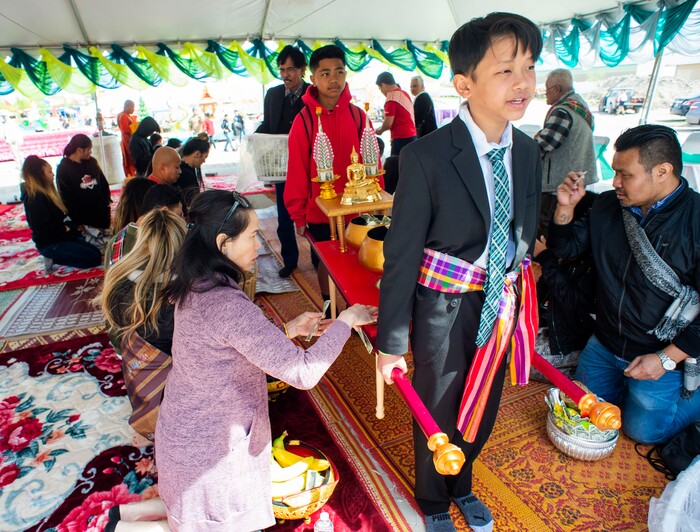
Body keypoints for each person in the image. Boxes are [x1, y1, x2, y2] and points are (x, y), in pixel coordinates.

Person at [376, 13, 543, 532]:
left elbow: (522, 233)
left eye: (530, 68)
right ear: (464, 84)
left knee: (485, 400)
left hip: (502, 302)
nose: (523, 83)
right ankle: (431, 501)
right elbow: (401, 253)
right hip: (444, 306)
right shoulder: (426, 155)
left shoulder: (531, 150)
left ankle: (463, 483)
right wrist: (390, 341)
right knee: (438, 404)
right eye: (505, 70)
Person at [153, 189, 377, 530]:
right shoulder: (225, 302)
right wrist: (346, 321)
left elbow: (225, 346)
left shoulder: (196, 284)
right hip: (208, 459)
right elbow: (303, 372)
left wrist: (285, 330)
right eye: (252, 235)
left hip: (185, 436)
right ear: (223, 243)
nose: (259, 244)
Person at [548, 124, 700, 445]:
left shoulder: (695, 220)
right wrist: (565, 207)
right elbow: (565, 251)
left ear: (662, 171)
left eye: (625, 175)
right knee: (582, 412)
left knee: (641, 432)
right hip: (606, 342)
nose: (614, 182)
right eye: (615, 172)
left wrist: (666, 358)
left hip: (661, 353)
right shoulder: (606, 206)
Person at [285, 44, 377, 304]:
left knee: (361, 257)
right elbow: (297, 171)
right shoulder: (304, 121)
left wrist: (378, 203)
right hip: (320, 211)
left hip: (359, 209)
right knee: (326, 261)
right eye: (325, 73)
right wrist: (298, 214)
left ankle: (356, 304)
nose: (333, 79)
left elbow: (373, 163)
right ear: (312, 78)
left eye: (339, 71)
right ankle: (328, 306)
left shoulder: (359, 117)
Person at [256, 45, 310, 278]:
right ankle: (290, 260)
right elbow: (268, 126)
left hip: (309, 168)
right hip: (281, 167)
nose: (286, 74)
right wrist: (254, 139)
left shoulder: (313, 94)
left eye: (290, 69)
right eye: (282, 69)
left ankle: (320, 260)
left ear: (302, 69)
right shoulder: (273, 95)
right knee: (285, 215)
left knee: (314, 216)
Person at [535, 69, 597, 238]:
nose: (546, 94)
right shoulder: (579, 105)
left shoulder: (563, 111)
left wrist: (524, 146)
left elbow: (544, 144)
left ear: (556, 89)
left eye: (547, 90)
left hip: (559, 186)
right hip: (577, 182)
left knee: (548, 232)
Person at [20, 155, 101, 270]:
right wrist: (64, 228)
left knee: (96, 252)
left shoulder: (46, 193)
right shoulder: (36, 198)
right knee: (93, 259)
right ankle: (53, 258)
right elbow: (42, 229)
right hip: (50, 243)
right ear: (40, 176)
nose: (53, 175)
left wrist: (69, 227)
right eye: (49, 172)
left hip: (60, 236)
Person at [105, 184, 183, 271]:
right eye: (179, 215)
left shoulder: (113, 243)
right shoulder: (163, 241)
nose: (182, 221)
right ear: (164, 212)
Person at [56, 134, 112, 240]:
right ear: (79, 150)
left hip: (100, 213)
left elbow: (103, 184)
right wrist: (77, 220)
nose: (91, 152)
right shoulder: (63, 169)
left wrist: (106, 202)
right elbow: (66, 197)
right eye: (89, 149)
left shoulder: (91, 162)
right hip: (84, 218)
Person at [375, 71, 417, 156]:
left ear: (383, 85)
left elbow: (388, 124)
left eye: (380, 88)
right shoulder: (404, 94)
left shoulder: (391, 97)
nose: (381, 91)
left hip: (401, 139)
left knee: (396, 167)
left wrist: (379, 131)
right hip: (412, 136)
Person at [117, 100, 136, 178]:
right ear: (126, 106)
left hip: (129, 140)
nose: (133, 109)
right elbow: (126, 130)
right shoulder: (123, 116)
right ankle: (130, 177)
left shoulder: (127, 115)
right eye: (132, 107)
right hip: (127, 140)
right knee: (129, 160)